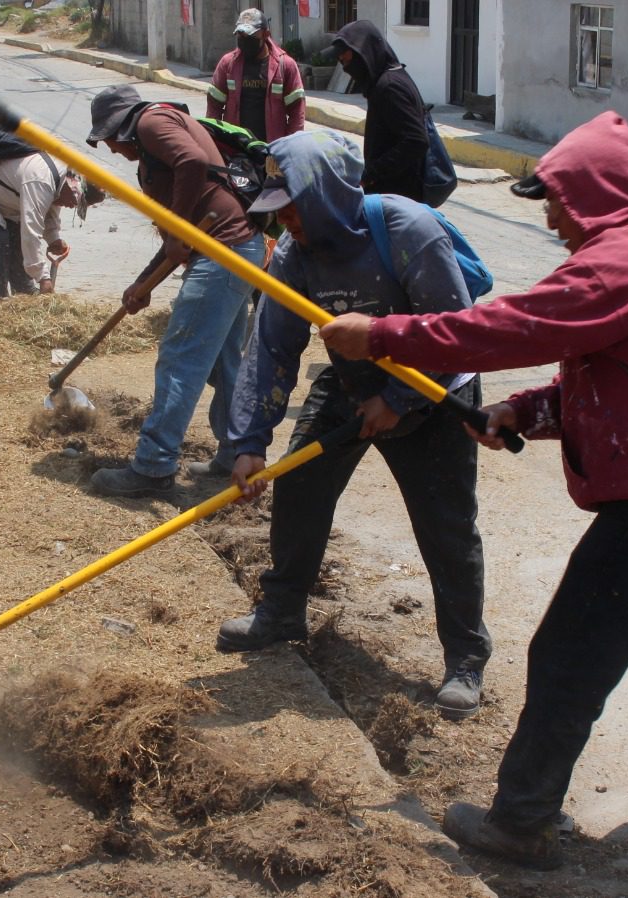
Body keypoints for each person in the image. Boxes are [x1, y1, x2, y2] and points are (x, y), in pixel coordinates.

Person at [319, 111, 628, 869]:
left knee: (569, 655)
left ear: (595, 196)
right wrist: (525, 411)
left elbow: (508, 327)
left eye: (558, 204)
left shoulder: (625, 262)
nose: (552, 222)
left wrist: (381, 336)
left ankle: (521, 821)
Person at [214, 130, 492, 720]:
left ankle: (466, 657)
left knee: (447, 528)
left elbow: (456, 332)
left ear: (324, 194)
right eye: (276, 209)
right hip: (351, 383)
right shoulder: (295, 254)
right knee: (300, 487)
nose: (283, 220)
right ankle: (281, 611)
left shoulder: (408, 230)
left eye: (290, 206)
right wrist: (248, 442)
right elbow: (271, 348)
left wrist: (398, 397)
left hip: (435, 390)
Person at [84, 84, 265, 497]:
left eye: (109, 138)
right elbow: (174, 240)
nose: (111, 149)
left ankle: (152, 467)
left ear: (120, 125)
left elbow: (193, 161)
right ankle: (234, 453)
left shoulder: (151, 121)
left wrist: (179, 231)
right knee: (222, 364)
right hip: (230, 250)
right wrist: (144, 283)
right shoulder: (155, 144)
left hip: (223, 250)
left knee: (180, 359)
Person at [0, 142, 105, 300]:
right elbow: (31, 231)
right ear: (73, 187)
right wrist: (44, 278)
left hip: (6, 199)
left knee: (19, 247)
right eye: (75, 202)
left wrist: (54, 238)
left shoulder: (61, 179)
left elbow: (48, 211)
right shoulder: (42, 182)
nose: (71, 206)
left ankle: (24, 296)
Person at [330, 20, 429, 203]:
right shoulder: (389, 79)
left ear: (364, 54)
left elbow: (416, 140)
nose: (345, 68)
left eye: (347, 59)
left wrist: (370, 175)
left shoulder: (389, 87)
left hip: (398, 197)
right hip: (392, 194)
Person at [206, 9, 306, 143]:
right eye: (241, 35)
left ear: (266, 34)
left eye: (250, 36)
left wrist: (290, 146)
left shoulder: (286, 65)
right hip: (236, 147)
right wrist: (216, 140)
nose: (244, 40)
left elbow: (296, 112)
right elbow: (214, 107)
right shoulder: (227, 64)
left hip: (272, 149)